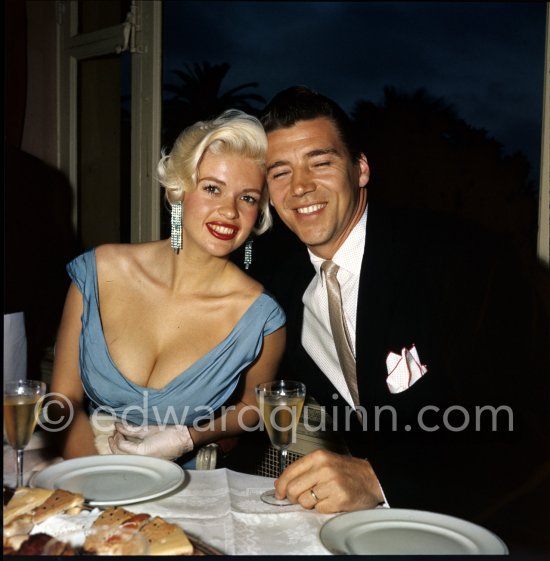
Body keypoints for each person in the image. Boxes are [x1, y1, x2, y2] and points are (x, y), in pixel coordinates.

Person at [257, 86, 549, 553]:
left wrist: (378, 478)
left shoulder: (464, 260)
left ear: (361, 168)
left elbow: (528, 427)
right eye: (280, 172)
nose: (300, 187)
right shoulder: (283, 292)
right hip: (376, 533)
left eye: (321, 162)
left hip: (498, 529)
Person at [49, 110, 286, 468]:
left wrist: (188, 437)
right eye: (212, 188)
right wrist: (94, 478)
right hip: (89, 472)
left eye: (248, 198)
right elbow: (63, 400)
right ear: (179, 190)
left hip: (186, 492)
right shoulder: (99, 271)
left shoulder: (263, 317)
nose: (229, 211)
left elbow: (253, 408)